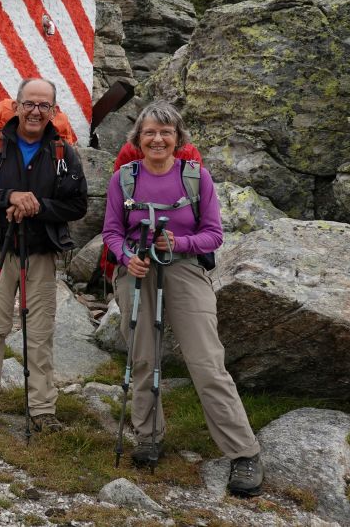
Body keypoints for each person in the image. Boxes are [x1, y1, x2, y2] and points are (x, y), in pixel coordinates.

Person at [101, 100, 264, 497]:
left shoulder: (196, 178)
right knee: (142, 357)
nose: (158, 139)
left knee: (206, 361)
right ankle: (148, 436)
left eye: (166, 132)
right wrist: (126, 258)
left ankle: (244, 452)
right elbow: (111, 232)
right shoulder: (123, 178)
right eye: (150, 132)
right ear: (138, 138)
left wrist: (180, 241)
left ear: (178, 139)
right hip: (137, 268)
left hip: (185, 267)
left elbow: (214, 234)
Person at [0, 78, 88, 434]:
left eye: (43, 106)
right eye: (29, 104)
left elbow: (77, 204)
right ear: (16, 107)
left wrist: (36, 206)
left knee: (40, 331)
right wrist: (9, 197)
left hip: (42, 252)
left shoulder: (63, 152)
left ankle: (42, 407)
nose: (35, 111)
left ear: (53, 112)